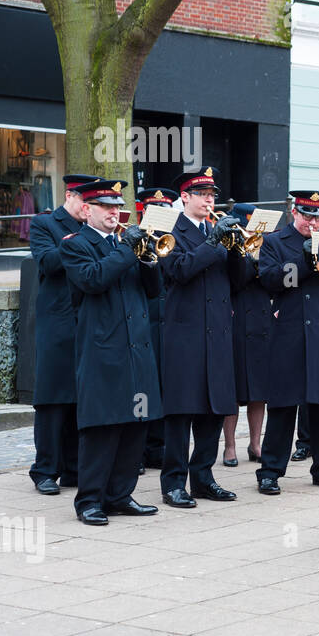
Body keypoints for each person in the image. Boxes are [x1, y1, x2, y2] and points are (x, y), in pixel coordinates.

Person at [58, 180, 162, 525]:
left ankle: (120, 495)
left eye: (117, 207)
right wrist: (127, 251)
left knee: (135, 425)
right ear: (86, 210)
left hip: (137, 348)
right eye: (106, 207)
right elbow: (92, 279)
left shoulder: (125, 243)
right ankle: (89, 500)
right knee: (101, 427)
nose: (114, 213)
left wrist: (149, 260)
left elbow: (153, 291)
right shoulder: (76, 245)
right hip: (103, 350)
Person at [158, 167, 252, 507]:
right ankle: (172, 482)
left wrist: (239, 248)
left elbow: (240, 281)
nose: (210, 199)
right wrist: (214, 243)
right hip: (185, 334)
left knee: (214, 410)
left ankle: (202, 478)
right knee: (182, 412)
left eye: (212, 194)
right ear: (185, 196)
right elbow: (178, 270)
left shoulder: (218, 229)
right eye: (202, 194)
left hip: (218, 333)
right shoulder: (168, 230)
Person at [255, 190, 319, 495]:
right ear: (295, 212)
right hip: (288, 331)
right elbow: (271, 279)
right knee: (282, 406)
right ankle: (270, 470)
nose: (314, 223)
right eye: (308, 216)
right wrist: (305, 261)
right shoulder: (275, 241)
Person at [28, 173, 96, 495]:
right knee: (53, 398)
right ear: (70, 196)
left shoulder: (92, 226)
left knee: (82, 396)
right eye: (86, 201)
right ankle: (44, 470)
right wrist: (76, 242)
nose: (88, 207)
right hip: (58, 320)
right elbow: (47, 262)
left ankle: (73, 469)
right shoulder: (45, 224)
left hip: (89, 318)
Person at [224, 202, 270, 468]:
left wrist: (261, 257)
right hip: (236, 316)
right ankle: (229, 446)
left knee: (259, 388)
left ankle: (255, 443)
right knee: (232, 387)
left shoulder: (266, 244)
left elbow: (275, 279)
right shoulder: (229, 244)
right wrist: (248, 258)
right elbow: (236, 280)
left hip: (262, 317)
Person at [136, 187, 177, 471]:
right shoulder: (138, 238)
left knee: (165, 382)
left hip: (169, 318)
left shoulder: (171, 239)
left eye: (163, 209)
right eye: (154, 209)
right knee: (143, 386)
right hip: (144, 318)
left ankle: (157, 447)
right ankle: (137, 450)